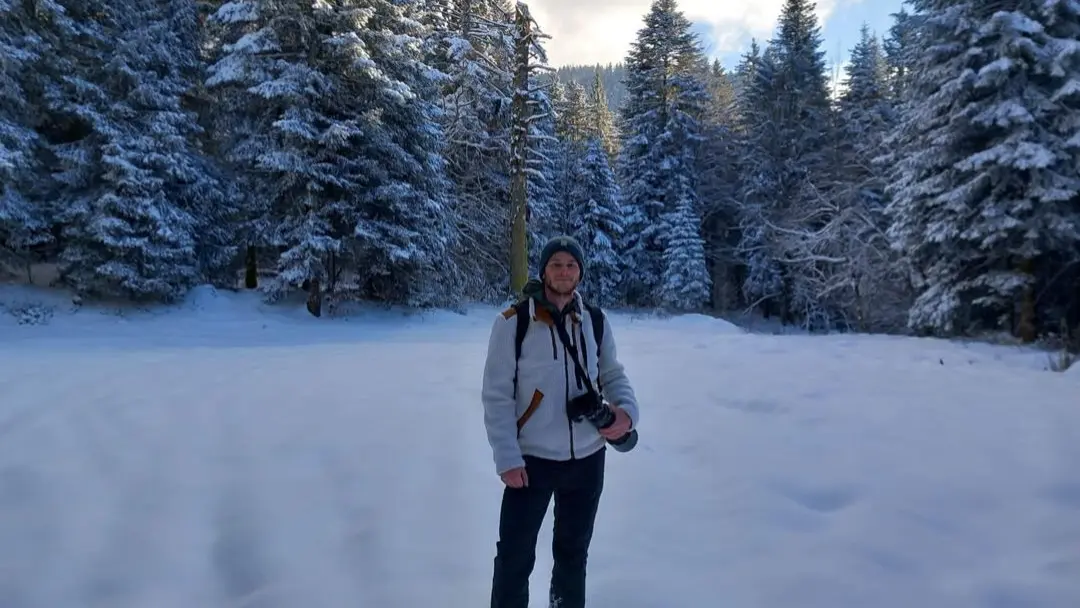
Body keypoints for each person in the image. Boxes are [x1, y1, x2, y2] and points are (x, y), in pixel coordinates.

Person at [481, 234, 641, 608]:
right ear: (543, 270)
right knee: (514, 559)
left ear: (580, 273)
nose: (564, 271)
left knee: (573, 556)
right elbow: (496, 395)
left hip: (587, 459)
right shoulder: (513, 324)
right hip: (531, 462)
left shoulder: (595, 321)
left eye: (571, 265)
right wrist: (507, 457)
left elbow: (613, 375)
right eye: (556, 264)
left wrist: (627, 413)